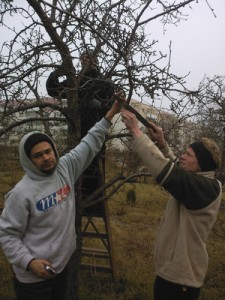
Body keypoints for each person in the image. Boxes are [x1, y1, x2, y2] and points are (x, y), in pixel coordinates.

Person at [0, 99, 121, 300]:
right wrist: (29, 262)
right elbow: (7, 235)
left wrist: (111, 114)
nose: (46, 158)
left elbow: (89, 143)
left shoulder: (65, 168)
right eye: (38, 155)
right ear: (28, 161)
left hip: (61, 266)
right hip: (33, 278)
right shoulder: (21, 193)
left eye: (48, 151)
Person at [121, 108, 222, 300]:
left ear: (201, 164)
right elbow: (178, 168)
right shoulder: (199, 183)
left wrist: (137, 132)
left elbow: (169, 173)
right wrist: (162, 142)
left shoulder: (206, 188)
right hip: (173, 275)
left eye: (189, 154)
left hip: (180, 282)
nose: (183, 156)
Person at [46, 50, 115, 215]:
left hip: (95, 136)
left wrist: (99, 104)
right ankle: (70, 206)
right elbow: (53, 89)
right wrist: (58, 72)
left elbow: (112, 104)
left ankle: (92, 208)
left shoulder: (104, 82)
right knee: (73, 171)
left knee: (93, 174)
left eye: (89, 58)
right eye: (82, 58)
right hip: (75, 135)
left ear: (95, 60)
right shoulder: (75, 81)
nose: (85, 61)